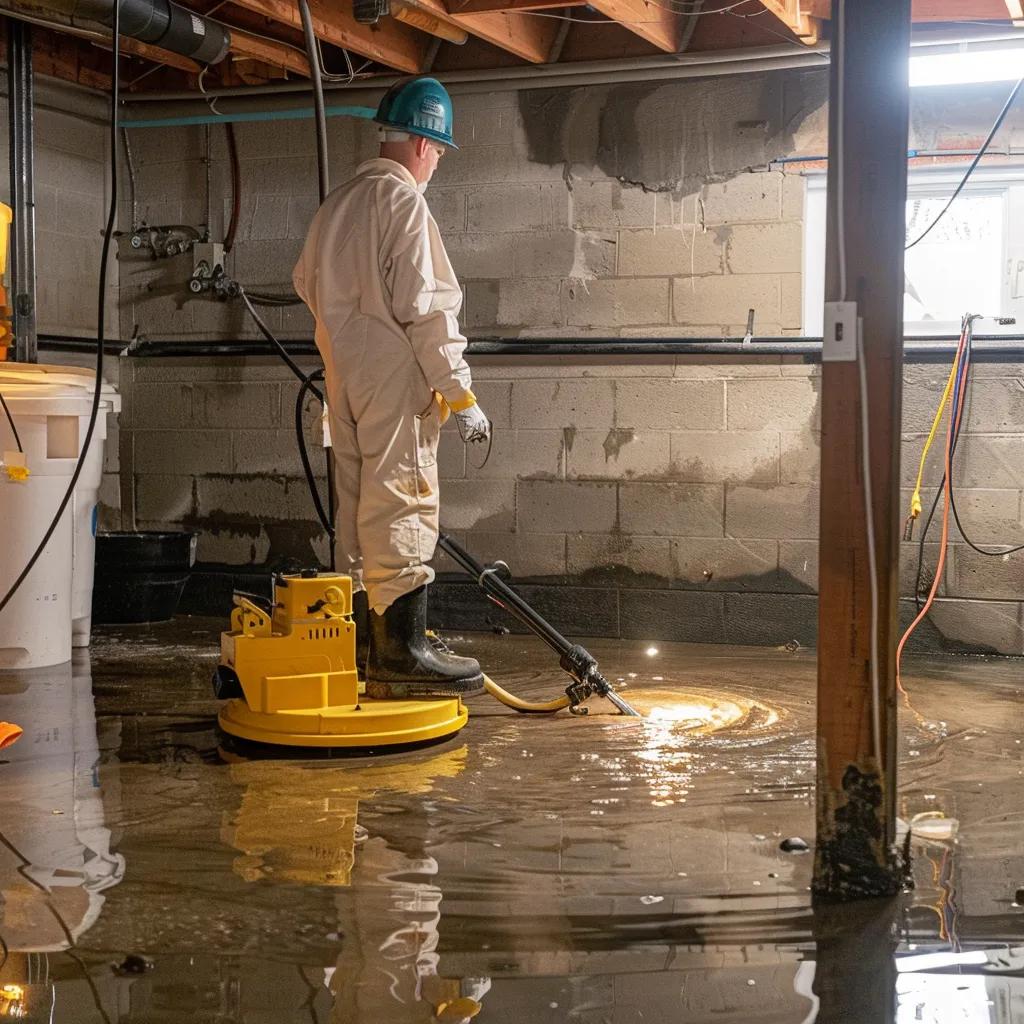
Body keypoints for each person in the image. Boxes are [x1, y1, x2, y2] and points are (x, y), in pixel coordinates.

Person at [293, 77, 490, 698]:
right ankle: (401, 652)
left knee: (354, 509)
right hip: (393, 378)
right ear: (426, 145)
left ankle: (358, 647)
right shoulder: (403, 202)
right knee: (402, 497)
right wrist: (460, 395)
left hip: (342, 375)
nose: (435, 163)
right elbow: (427, 309)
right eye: (438, 151)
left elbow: (304, 282)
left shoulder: (336, 205)